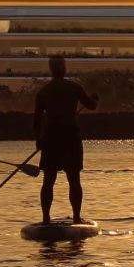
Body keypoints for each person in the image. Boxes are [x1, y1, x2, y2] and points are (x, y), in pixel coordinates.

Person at [34, 56, 99, 224]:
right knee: (73, 178)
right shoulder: (74, 87)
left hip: (51, 137)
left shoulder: (44, 91)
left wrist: (38, 140)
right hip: (70, 136)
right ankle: (76, 216)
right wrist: (95, 99)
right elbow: (91, 106)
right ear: (63, 69)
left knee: (49, 179)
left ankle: (46, 218)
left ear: (50, 69)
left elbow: (37, 119)